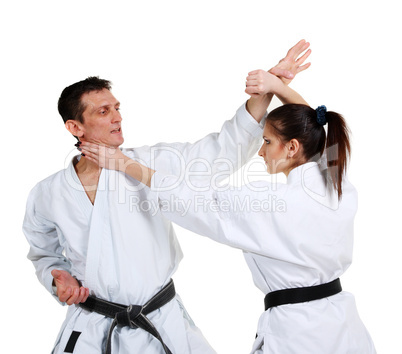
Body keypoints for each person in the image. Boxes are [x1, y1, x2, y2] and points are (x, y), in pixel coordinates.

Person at [23, 41, 311, 353]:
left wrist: (266, 90)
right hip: (92, 328)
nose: (117, 118)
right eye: (103, 111)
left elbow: (220, 152)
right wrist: (57, 278)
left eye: (117, 108)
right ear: (74, 126)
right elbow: (43, 252)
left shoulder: (150, 164)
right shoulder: (47, 193)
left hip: (159, 321)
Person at [80, 63, 377, 353]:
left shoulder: (269, 204)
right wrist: (276, 86)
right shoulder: (336, 183)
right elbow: (313, 129)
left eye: (267, 141)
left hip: (300, 334)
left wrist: (123, 164)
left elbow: (194, 201)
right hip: (345, 323)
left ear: (291, 148)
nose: (260, 151)